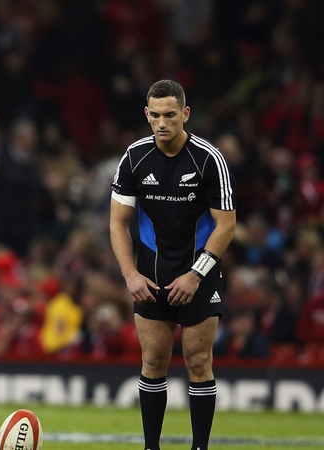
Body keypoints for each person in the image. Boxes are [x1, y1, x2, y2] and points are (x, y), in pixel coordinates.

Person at [109, 80, 236, 450]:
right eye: (155, 115)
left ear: (185, 114)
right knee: (152, 359)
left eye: (169, 114)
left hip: (200, 274)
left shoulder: (209, 159)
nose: (162, 123)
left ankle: (200, 449)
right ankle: (151, 448)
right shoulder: (134, 157)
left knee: (198, 361)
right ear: (146, 115)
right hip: (151, 274)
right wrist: (130, 274)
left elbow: (226, 225)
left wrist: (197, 274)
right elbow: (117, 222)